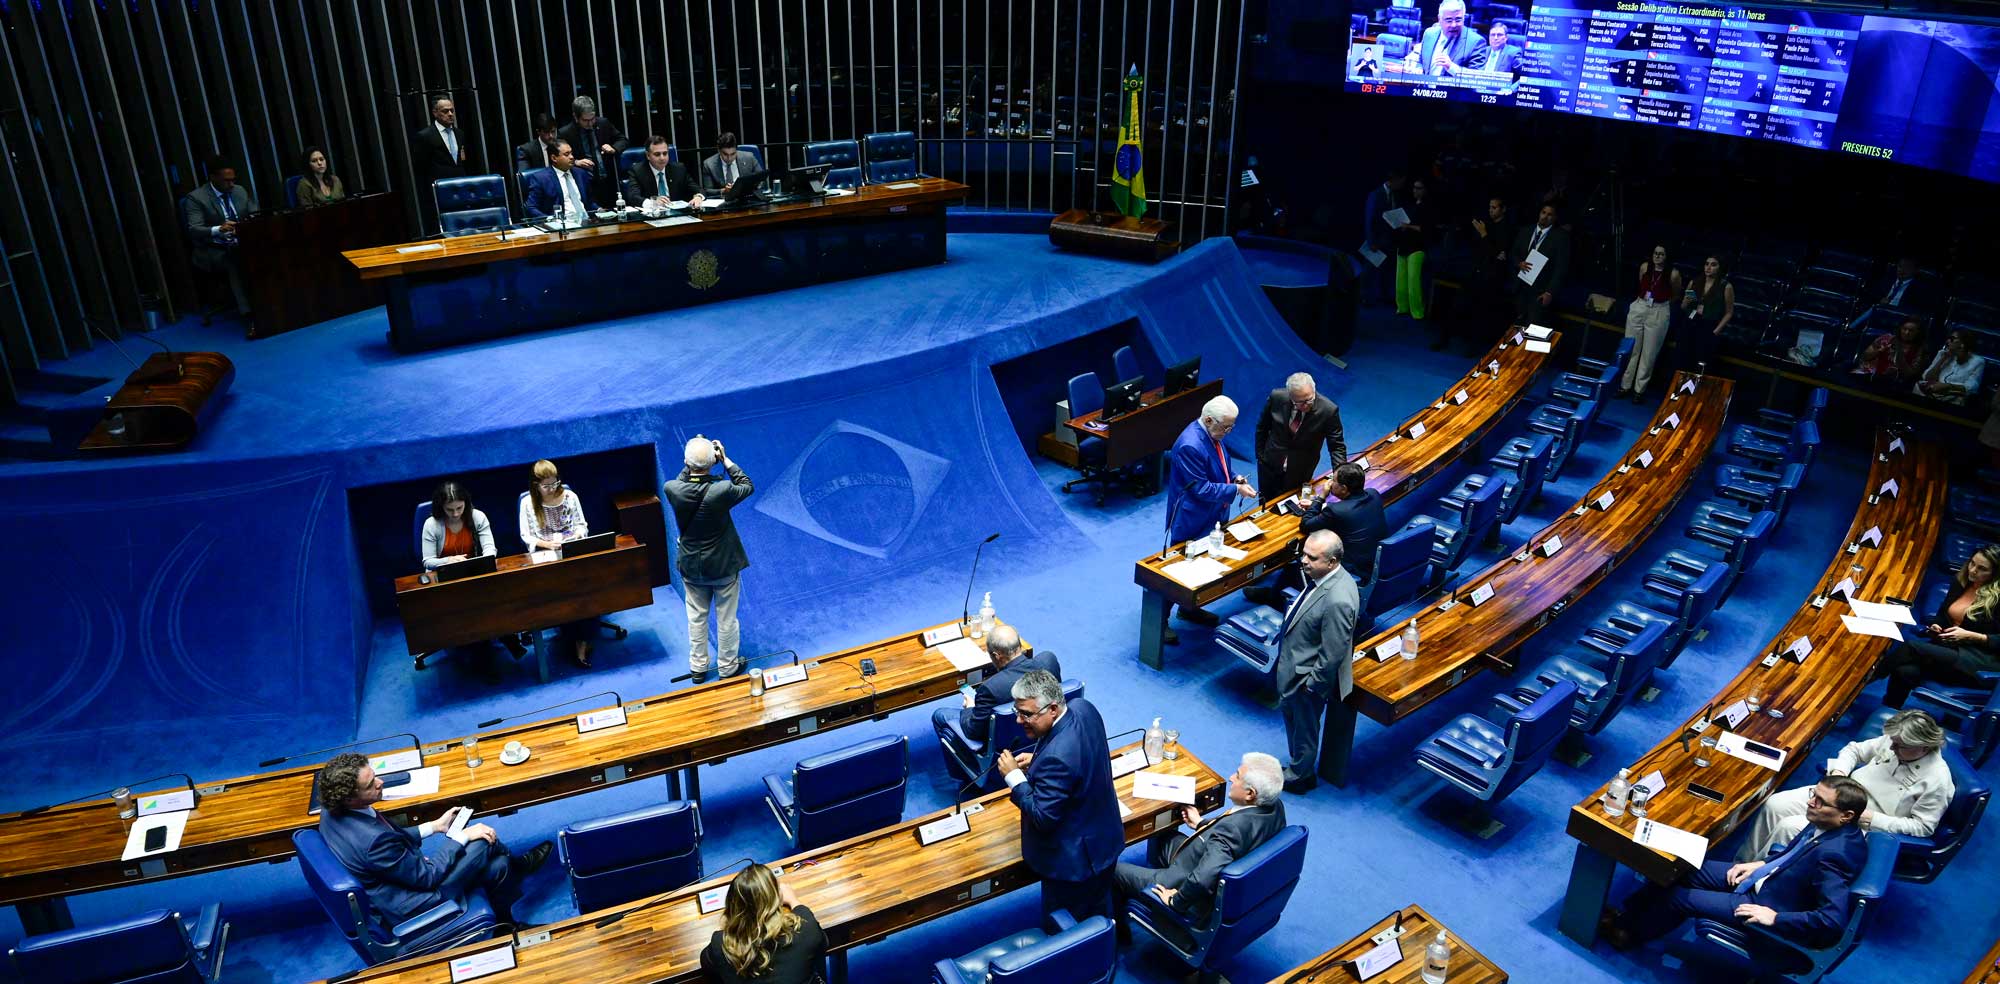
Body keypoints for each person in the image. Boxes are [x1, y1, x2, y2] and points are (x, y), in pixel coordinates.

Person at [1603, 776, 1871, 952]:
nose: (1810, 802)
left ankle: (1629, 934)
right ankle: (1629, 914)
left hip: (1768, 901)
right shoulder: (1825, 823)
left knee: (1679, 898)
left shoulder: (1836, 856)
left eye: (1821, 802)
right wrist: (1760, 863)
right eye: (1814, 794)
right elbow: (1794, 854)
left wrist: (1776, 917)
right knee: (1683, 866)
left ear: (1846, 815)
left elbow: (1832, 921)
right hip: (1768, 876)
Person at [313, 752, 551, 927]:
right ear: (349, 798)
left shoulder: (332, 810)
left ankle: (506, 923)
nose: (380, 783)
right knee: (478, 841)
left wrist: (434, 826)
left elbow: (389, 838)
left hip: (401, 878)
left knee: (498, 867)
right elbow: (427, 877)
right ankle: (519, 867)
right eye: (370, 784)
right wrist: (461, 836)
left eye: (375, 776)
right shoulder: (371, 842)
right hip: (417, 901)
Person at [1737, 710, 1952, 861]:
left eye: (1900, 746)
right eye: (1892, 742)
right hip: (1842, 793)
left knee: (1790, 827)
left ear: (1923, 747)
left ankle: (1756, 879)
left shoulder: (1937, 780)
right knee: (1776, 804)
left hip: (1865, 822)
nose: (1893, 748)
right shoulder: (1896, 740)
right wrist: (1839, 772)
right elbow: (1854, 750)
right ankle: (1740, 865)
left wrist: (1871, 818)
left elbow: (1922, 828)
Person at [997, 669, 1124, 921]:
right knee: (1102, 905)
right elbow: (1082, 754)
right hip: (1105, 839)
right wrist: (1039, 759)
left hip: (1075, 863)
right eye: (1017, 712)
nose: (1019, 721)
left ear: (1052, 709)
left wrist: (1014, 778)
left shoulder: (1057, 757)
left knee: (1069, 928)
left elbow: (1044, 817)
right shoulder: (1083, 708)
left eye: (1026, 714)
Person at [1113, 752, 1287, 933]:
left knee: (1111, 870)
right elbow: (1240, 832)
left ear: (1250, 794)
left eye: (1237, 776)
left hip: (1182, 880)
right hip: (1197, 856)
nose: (1231, 778)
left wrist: (1176, 901)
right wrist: (1200, 824)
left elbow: (1202, 879)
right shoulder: (1275, 808)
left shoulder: (1231, 831)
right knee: (1163, 832)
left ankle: (1120, 932)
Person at [1164, 396, 1258, 642]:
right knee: (1178, 570)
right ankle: (1159, 622)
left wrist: (1235, 478)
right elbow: (1201, 489)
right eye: (1226, 427)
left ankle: (1189, 608)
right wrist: (1235, 490)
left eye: (1231, 426)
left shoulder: (1213, 434)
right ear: (1208, 420)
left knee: (1205, 565)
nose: (1229, 431)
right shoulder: (1190, 446)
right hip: (1192, 518)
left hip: (1212, 513)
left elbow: (1222, 466)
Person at [663, 436, 754, 682]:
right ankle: (727, 667)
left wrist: (693, 461)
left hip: (691, 566)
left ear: (685, 461)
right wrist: (724, 459)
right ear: (713, 461)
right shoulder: (722, 490)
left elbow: (686, 478)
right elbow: (746, 484)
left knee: (696, 618)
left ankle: (698, 668)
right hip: (724, 566)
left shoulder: (671, 488)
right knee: (726, 620)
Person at [1275, 530, 1359, 794]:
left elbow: (1333, 651)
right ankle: (1300, 766)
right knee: (1296, 721)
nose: (1304, 561)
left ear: (1332, 561)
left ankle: (1300, 776)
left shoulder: (1339, 599)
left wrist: (1312, 686)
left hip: (1305, 677)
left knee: (1305, 727)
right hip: (1295, 665)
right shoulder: (1325, 578)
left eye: (1312, 558)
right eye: (1304, 554)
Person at [421, 481, 528, 668]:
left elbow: (489, 548)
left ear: (466, 503)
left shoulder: (477, 517)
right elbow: (428, 561)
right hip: (446, 578)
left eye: (459, 508)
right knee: (470, 609)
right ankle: (488, 655)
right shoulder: (432, 524)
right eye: (450, 510)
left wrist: (483, 561)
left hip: (475, 573)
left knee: (492, 599)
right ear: (441, 507)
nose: (455, 514)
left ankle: (501, 639)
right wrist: (448, 560)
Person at [1879, 543, 2000, 707]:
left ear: (1995, 574)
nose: (1973, 570)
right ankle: (1890, 710)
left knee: (1911, 647)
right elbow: (1943, 614)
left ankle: (1860, 682)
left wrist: (1974, 636)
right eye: (1972, 563)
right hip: (1951, 648)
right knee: (1905, 671)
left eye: (1982, 569)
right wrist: (1937, 625)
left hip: (1979, 660)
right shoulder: (1963, 581)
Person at [518, 459, 600, 667]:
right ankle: (571, 636)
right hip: (545, 557)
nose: (551, 489)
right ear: (536, 485)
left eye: (555, 484)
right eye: (546, 486)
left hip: (571, 552)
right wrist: (547, 544)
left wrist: (572, 539)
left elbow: (582, 526)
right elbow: (526, 536)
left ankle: (582, 643)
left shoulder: (570, 497)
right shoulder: (528, 503)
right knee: (559, 595)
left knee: (585, 590)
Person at [932, 624, 1060, 746]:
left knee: (940, 715)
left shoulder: (990, 688)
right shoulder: (1048, 661)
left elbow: (973, 731)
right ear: (1019, 645)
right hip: (1046, 734)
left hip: (1007, 743)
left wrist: (970, 708)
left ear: (996, 656)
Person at [700, 863, 828, 984]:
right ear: (776, 898)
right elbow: (823, 944)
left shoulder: (721, 944)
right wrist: (794, 900)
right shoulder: (804, 927)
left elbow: (707, 965)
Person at [1253, 372, 1347, 510]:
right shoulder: (1277, 397)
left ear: (1314, 391)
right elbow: (1262, 427)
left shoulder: (1328, 410)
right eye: (1299, 402)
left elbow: (1336, 446)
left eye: (1309, 400)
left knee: (1293, 509)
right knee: (1265, 506)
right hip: (1269, 465)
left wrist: (1340, 476)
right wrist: (1260, 456)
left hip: (1299, 471)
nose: (1305, 405)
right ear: (1290, 396)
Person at [179, 155, 259, 317]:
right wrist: (218, 229)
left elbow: (255, 215)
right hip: (213, 249)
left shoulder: (240, 191)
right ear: (213, 178)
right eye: (226, 180)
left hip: (242, 242)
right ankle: (250, 315)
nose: (231, 184)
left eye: (233, 179)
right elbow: (194, 229)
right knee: (235, 260)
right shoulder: (196, 198)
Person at [1618, 245, 1684, 402]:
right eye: (1655, 253)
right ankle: (1625, 385)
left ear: (1667, 257)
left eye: (1661, 254)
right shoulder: (1645, 267)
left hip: (1659, 309)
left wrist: (1661, 303)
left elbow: (1675, 294)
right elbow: (1641, 283)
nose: (1658, 256)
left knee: (1649, 353)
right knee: (1631, 347)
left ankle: (1639, 390)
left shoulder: (1673, 274)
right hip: (1640, 305)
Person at [411, 96, 468, 232]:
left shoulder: (459, 134)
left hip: (460, 188)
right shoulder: (425, 136)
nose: (450, 114)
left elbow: (462, 161)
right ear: (435, 113)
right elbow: (420, 168)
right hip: (438, 191)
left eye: (452, 111)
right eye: (445, 111)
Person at [1464, 196, 1515, 348]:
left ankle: (1475, 344)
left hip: (1493, 275)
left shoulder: (1507, 229)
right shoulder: (1486, 225)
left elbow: (1500, 253)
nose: (1490, 210)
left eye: (1494, 207)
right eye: (1489, 207)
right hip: (1478, 269)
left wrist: (1485, 236)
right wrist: (1492, 249)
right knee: (1464, 304)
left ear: (1503, 209)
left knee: (1483, 310)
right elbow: (1485, 249)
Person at [1511, 202, 1569, 329]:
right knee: (1516, 327)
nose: (1545, 216)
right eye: (1543, 213)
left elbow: (1561, 268)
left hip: (1539, 291)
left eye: (1549, 215)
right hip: (1520, 286)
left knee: (1532, 327)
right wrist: (1519, 263)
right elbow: (1514, 253)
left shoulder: (1560, 237)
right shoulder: (1525, 231)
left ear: (1554, 218)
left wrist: (1550, 292)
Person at [1680, 254, 1734, 372]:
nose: (1708, 267)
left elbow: (1729, 312)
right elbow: (1684, 307)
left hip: (1708, 326)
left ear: (1720, 268)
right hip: (1690, 323)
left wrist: (1716, 331)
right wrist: (1686, 301)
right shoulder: (1694, 283)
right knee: (1683, 360)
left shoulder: (1725, 286)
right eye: (1706, 264)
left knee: (1700, 364)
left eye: (1713, 265)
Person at [1393, 177, 1435, 322]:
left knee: (1413, 281)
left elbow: (1426, 229)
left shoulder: (1428, 208)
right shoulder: (1409, 205)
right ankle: (1402, 307)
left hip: (1417, 247)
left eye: (1419, 188)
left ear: (1425, 190)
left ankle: (1417, 312)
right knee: (1400, 280)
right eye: (1414, 188)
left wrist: (1408, 226)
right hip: (1403, 244)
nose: (1415, 190)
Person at [1362, 169, 1406, 305]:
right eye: (1401, 182)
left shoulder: (1395, 195)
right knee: (1370, 270)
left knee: (1388, 270)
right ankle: (1365, 297)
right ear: (1394, 180)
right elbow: (1369, 220)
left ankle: (1385, 296)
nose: (1402, 185)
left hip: (1390, 239)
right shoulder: (1375, 195)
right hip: (1377, 239)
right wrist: (1371, 241)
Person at [522, 140, 594, 220]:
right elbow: (531, 207)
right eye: (566, 154)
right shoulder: (541, 178)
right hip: (563, 225)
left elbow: (590, 202)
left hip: (587, 222)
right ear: (554, 158)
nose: (572, 157)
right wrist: (549, 219)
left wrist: (600, 210)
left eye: (571, 153)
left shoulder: (581, 173)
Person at [1406, 0, 1481, 76]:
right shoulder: (1429, 34)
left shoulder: (1475, 42)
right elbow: (1420, 58)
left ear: (1464, 18)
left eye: (1458, 20)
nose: (1454, 25)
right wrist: (1418, 68)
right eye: (1449, 20)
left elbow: (1476, 77)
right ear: (1439, 19)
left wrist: (1451, 67)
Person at [627, 135, 704, 209]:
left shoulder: (678, 169)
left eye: (665, 153)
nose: (662, 158)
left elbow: (698, 189)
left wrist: (698, 197)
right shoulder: (638, 171)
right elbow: (633, 196)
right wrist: (653, 202)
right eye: (657, 154)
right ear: (648, 155)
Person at [556, 96, 626, 177]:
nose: (590, 124)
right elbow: (559, 158)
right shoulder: (565, 133)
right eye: (585, 120)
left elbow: (623, 140)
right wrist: (576, 162)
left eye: (592, 119)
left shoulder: (603, 123)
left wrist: (613, 148)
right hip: (583, 179)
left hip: (609, 177)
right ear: (575, 117)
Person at [1913, 329, 1985, 405]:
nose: (1948, 341)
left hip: (1953, 395)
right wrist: (1942, 359)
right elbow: (1926, 377)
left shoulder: (1978, 361)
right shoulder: (1942, 353)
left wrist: (1947, 386)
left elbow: (1972, 387)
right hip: (1933, 392)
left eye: (1952, 339)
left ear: (1962, 343)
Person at [1851, 318, 1926, 386]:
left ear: (1918, 333)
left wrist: (1900, 357)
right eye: (1904, 329)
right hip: (1868, 375)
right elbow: (1865, 356)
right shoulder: (1886, 338)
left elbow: (1910, 375)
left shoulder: (1920, 350)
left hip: (1896, 383)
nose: (1906, 333)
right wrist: (1879, 351)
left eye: (1911, 331)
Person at [1869, 256, 1939, 315]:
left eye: (1907, 267)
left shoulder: (1920, 288)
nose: (1902, 270)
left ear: (1915, 270)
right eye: (1900, 266)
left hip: (1900, 316)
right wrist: (1880, 300)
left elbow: (1919, 309)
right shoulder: (1887, 279)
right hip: (1879, 311)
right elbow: (1872, 295)